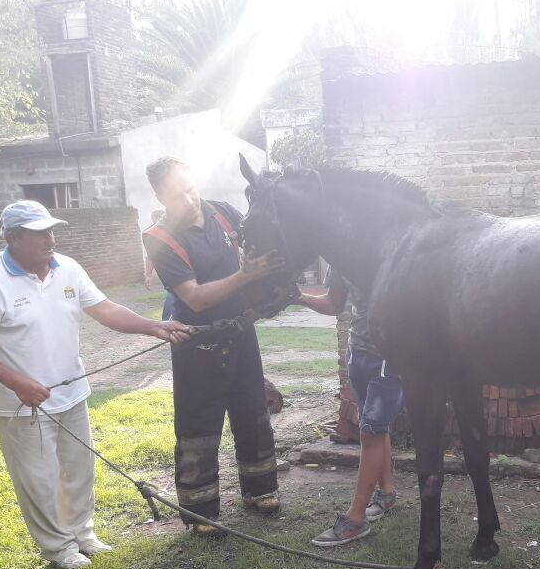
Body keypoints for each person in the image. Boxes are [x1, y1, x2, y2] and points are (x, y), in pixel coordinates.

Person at [0, 200, 192, 569]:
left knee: (78, 470)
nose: (50, 239)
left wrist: (155, 327)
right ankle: (59, 548)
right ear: (14, 238)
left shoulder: (67, 268)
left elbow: (105, 308)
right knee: (39, 480)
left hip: (71, 393)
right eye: (39, 233)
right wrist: (17, 382)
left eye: (51, 230)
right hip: (23, 404)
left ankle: (83, 534)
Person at [142, 156, 285, 536]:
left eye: (191, 189)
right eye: (177, 195)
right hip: (196, 342)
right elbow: (195, 298)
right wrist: (244, 276)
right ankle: (201, 509)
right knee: (198, 423)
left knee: (252, 409)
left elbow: (255, 252)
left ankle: (261, 489)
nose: (189, 200)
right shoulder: (158, 239)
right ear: (159, 196)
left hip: (240, 332)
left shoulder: (224, 214)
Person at [297, 269, 404, 547]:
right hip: (357, 352)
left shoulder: (394, 250)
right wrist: (298, 297)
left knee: (370, 433)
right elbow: (334, 304)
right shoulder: (340, 258)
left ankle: (355, 518)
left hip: (389, 358)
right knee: (375, 430)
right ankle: (387, 493)